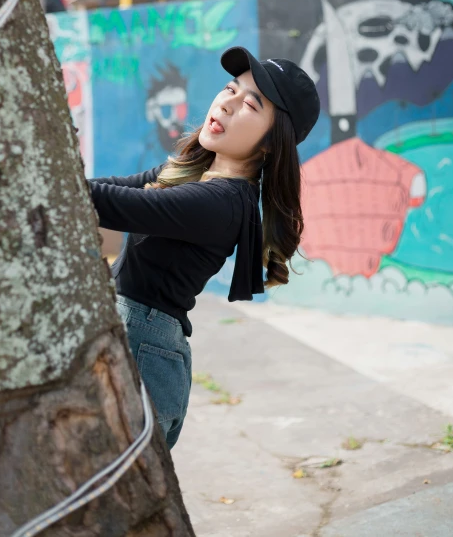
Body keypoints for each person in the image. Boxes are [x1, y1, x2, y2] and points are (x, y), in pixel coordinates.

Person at [88, 46, 320, 449]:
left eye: (249, 103)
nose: (227, 103)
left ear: (270, 143)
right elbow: (107, 188)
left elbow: (112, 205)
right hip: (131, 338)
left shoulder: (225, 202)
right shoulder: (189, 172)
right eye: (230, 89)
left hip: (145, 350)